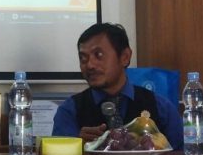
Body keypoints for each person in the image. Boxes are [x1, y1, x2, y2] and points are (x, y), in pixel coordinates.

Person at [52, 23, 183, 148]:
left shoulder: (161, 107)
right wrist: (77, 146)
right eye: (83, 58)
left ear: (125, 57)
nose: (90, 65)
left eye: (99, 55)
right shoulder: (70, 110)